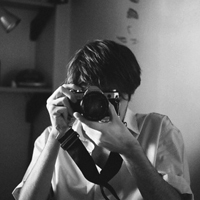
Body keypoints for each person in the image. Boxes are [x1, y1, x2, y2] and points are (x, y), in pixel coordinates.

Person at [12, 39, 193, 200]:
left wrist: (131, 151)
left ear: (129, 95)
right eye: (92, 97)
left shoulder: (158, 130)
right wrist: (56, 136)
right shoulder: (50, 137)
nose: (101, 107)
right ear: (73, 93)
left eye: (111, 97)